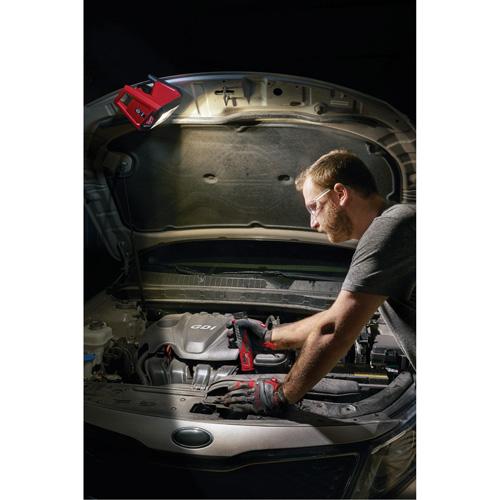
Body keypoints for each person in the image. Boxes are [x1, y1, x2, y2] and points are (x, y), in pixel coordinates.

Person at [222, 148, 416, 416]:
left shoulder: (391, 228)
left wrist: (281, 395)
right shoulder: (398, 224)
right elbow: (340, 316)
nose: (313, 223)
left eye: (314, 207)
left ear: (340, 194)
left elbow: (333, 329)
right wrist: (270, 338)